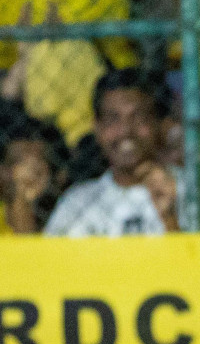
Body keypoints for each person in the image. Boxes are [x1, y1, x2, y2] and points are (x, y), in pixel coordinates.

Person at [44, 69, 178, 236]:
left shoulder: (191, 191)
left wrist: (170, 218)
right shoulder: (76, 203)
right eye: (113, 119)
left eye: (138, 118)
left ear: (158, 125)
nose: (125, 131)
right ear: (97, 129)